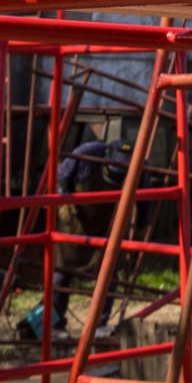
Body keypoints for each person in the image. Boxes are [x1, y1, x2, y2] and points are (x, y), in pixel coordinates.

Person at [18, 139, 134, 339]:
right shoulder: (86, 154)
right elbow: (61, 176)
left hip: (106, 224)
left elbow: (146, 200)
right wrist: (64, 199)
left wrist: (139, 231)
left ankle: (100, 323)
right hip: (75, 219)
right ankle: (52, 320)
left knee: (109, 272)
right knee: (62, 273)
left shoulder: (138, 166)